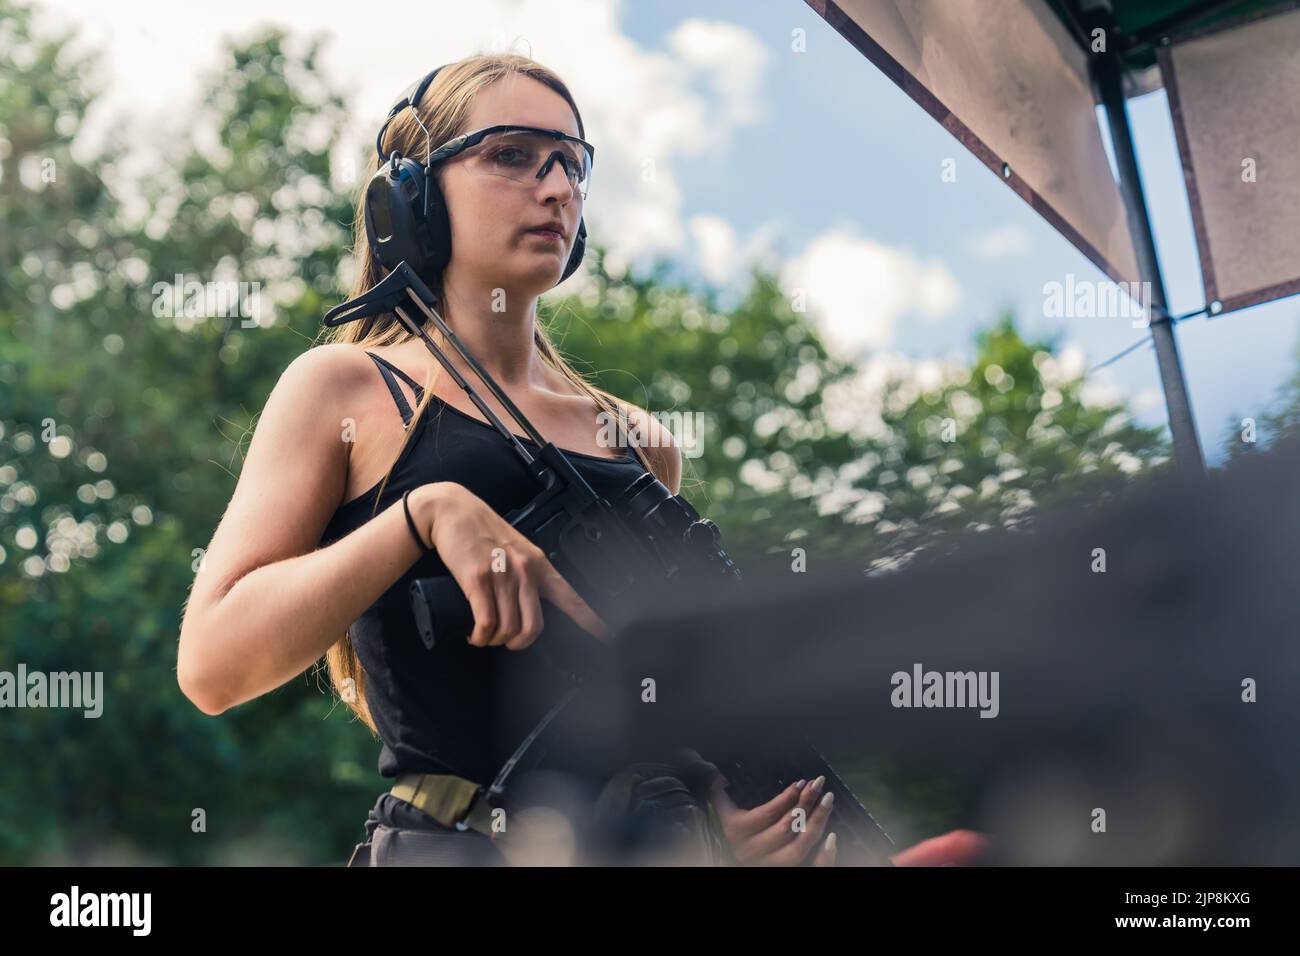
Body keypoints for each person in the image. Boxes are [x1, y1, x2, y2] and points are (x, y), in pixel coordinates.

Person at [176, 52, 987, 867]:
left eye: (572, 162)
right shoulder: (346, 390)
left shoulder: (639, 444)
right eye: (513, 155)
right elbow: (214, 665)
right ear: (411, 197)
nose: (557, 187)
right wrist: (423, 517)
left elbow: (647, 702)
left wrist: (714, 812)